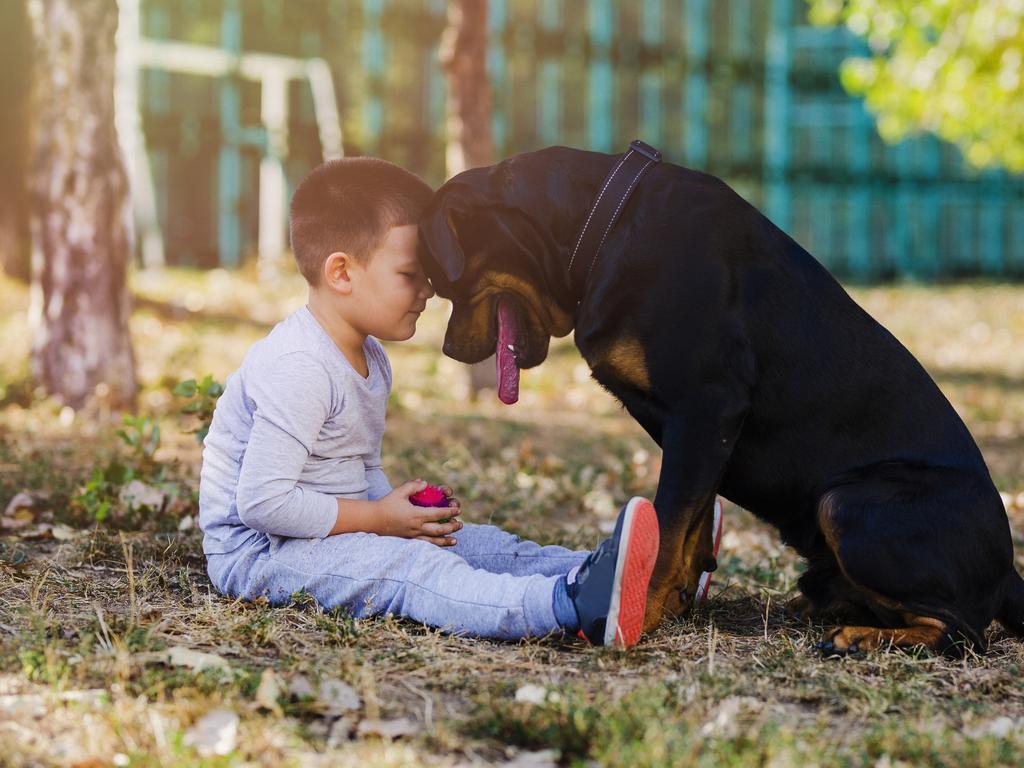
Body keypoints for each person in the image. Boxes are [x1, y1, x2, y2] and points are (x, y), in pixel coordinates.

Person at [198, 157, 660, 647]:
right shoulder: (300, 366)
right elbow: (263, 504)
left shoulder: (369, 357)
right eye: (410, 274)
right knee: (413, 568)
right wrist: (379, 521)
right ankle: (569, 605)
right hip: (262, 554)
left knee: (475, 544)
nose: (429, 291)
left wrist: (403, 514)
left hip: (319, 534)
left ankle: (641, 575)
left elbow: (356, 469)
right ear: (341, 272)